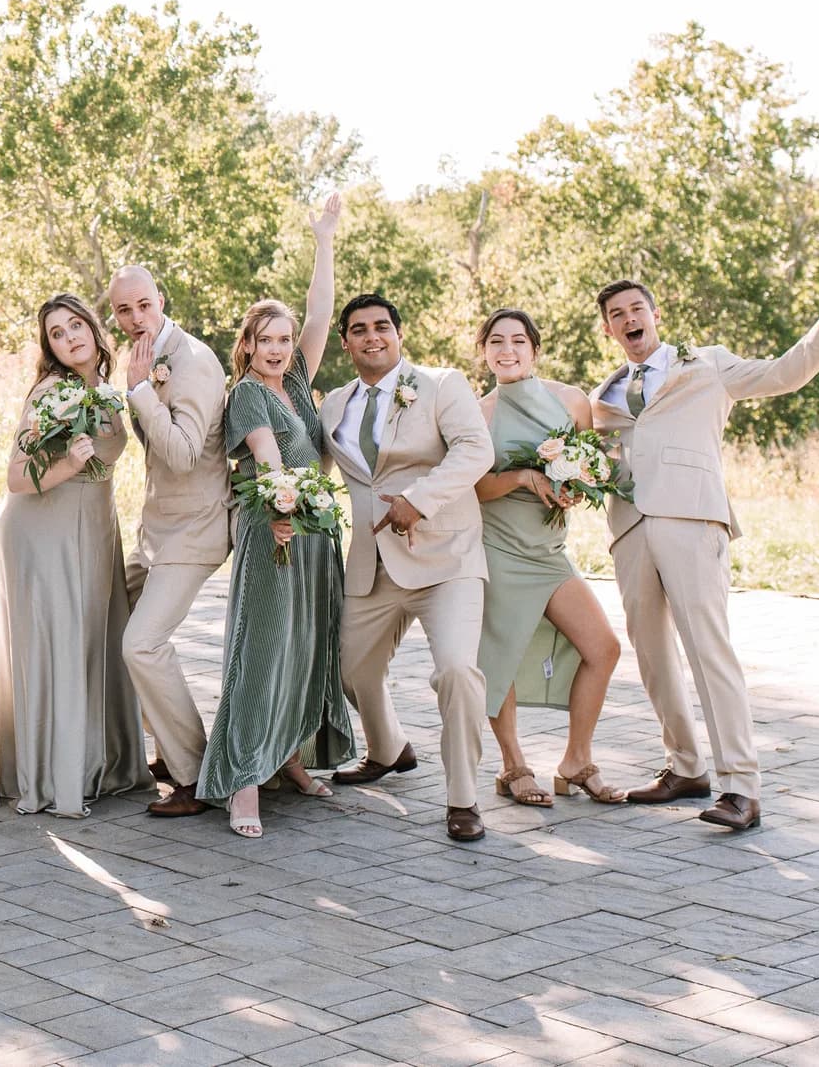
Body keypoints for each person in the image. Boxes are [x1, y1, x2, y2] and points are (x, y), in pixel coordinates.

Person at [592, 274, 819, 832]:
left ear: (655, 313)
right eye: (618, 315)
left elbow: (782, 374)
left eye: (637, 309)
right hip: (630, 531)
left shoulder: (707, 364)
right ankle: (685, 767)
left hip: (693, 522)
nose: (630, 319)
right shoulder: (604, 393)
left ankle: (741, 787)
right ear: (609, 330)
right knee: (651, 656)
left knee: (709, 652)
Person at [199, 195, 356, 837]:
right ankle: (242, 781)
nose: (279, 349)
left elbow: (321, 313)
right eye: (266, 340)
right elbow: (267, 464)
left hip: (316, 534)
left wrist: (324, 239)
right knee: (265, 651)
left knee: (309, 647)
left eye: (285, 340)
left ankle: (288, 754)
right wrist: (284, 510)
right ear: (247, 344)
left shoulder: (292, 383)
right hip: (277, 533)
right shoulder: (245, 395)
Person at [321, 292, 495, 842]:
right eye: (359, 329)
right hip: (371, 565)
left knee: (456, 673)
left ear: (399, 334)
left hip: (446, 558)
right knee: (350, 670)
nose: (372, 336)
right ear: (345, 342)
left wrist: (418, 499)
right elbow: (308, 463)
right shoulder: (332, 405)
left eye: (381, 327)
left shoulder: (442, 385)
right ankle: (389, 748)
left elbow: (475, 450)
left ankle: (463, 798)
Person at [0, 294, 152, 817]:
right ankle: (55, 777)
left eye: (75, 326)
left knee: (90, 642)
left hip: (93, 528)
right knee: (62, 645)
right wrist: (67, 462)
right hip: (43, 531)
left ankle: (96, 764)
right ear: (50, 348)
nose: (69, 339)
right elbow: (16, 478)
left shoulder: (103, 389)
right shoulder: (51, 391)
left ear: (93, 327)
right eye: (57, 334)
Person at [472, 309, 623, 809]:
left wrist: (575, 488)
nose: (507, 349)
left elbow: (591, 464)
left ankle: (576, 760)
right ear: (485, 350)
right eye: (497, 341)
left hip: (549, 552)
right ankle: (512, 763)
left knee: (603, 648)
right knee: (500, 659)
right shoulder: (480, 411)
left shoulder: (571, 400)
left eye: (518, 341)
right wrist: (521, 478)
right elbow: (473, 487)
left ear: (535, 350)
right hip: (499, 551)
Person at [108, 265, 231, 817]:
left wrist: (139, 392)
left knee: (142, 643)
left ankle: (194, 773)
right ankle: (160, 743)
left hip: (198, 525)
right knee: (115, 615)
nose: (135, 319)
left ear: (162, 300)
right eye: (122, 311)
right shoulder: (140, 356)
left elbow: (182, 454)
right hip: (156, 527)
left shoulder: (196, 361)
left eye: (143, 306)